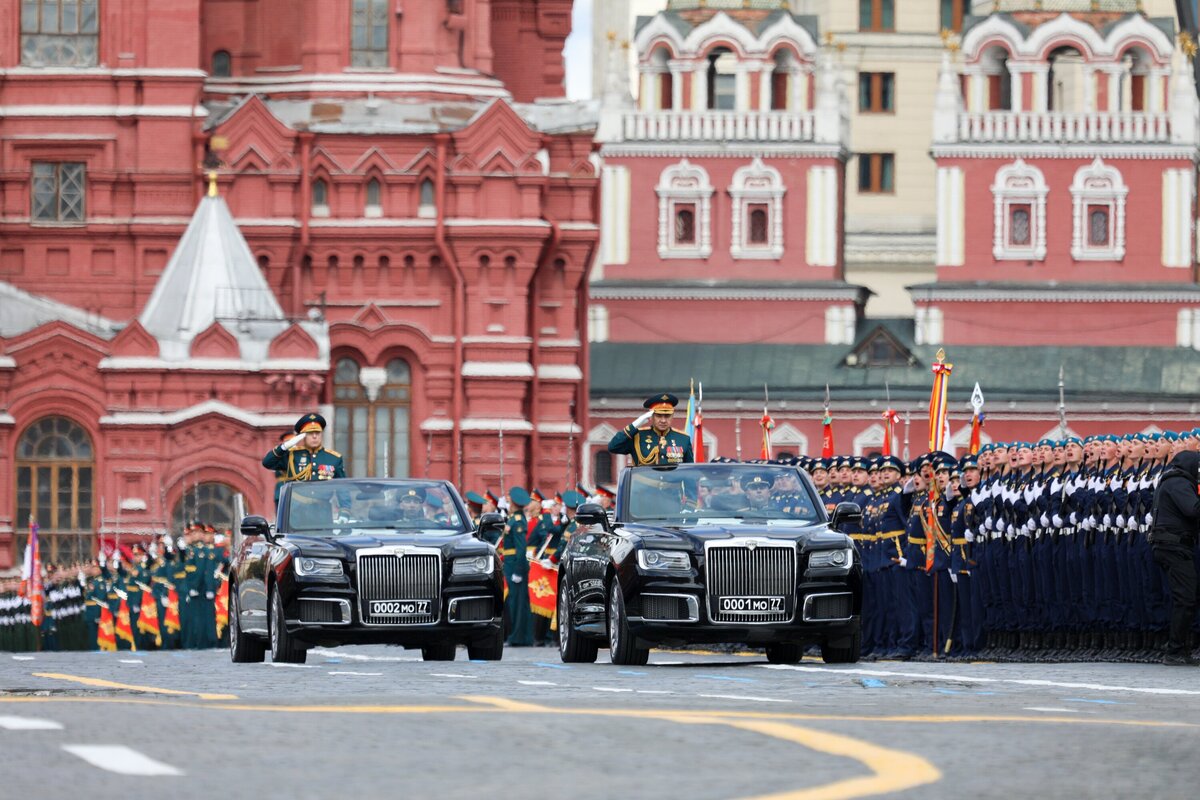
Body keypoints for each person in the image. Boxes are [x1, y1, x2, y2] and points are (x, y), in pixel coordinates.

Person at [1148, 451, 1200, 666]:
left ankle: (1180, 648)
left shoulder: (1170, 480)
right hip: (1173, 546)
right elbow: (1193, 510)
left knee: (1185, 596)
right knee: (1186, 598)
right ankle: (1175, 650)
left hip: (1168, 545)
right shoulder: (1178, 482)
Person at [608, 393, 694, 466]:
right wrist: (634, 425)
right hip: (645, 485)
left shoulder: (683, 439)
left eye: (667, 416)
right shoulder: (638, 436)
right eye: (659, 416)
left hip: (672, 486)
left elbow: (689, 471)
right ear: (651, 416)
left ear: (672, 416)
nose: (663, 420)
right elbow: (613, 447)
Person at [262, 413, 346, 486]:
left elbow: (342, 486)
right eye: (310, 433)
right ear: (303, 436)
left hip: (322, 504)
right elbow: (267, 463)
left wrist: (344, 505)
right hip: (297, 503)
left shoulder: (334, 458)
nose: (314, 436)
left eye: (317, 433)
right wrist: (284, 447)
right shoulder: (292, 455)